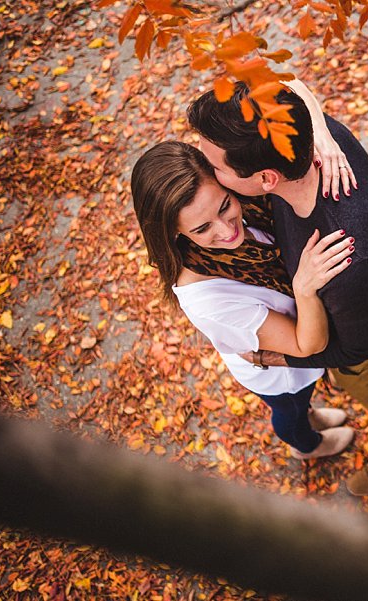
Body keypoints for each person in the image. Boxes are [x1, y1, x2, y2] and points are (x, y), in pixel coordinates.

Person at [187, 83, 368, 496]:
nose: (209, 174)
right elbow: (288, 85)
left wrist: (274, 356)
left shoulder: (347, 260)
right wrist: (319, 124)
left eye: (217, 168)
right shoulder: (316, 141)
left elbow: (358, 351)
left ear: (265, 178)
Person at [131, 140, 356, 459]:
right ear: (175, 233)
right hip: (282, 373)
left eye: (224, 206)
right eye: (203, 227)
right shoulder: (211, 302)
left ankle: (310, 414)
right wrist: (304, 288)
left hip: (295, 355)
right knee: (290, 409)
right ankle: (306, 446)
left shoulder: (248, 202)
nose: (227, 230)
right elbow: (308, 346)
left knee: (304, 399)